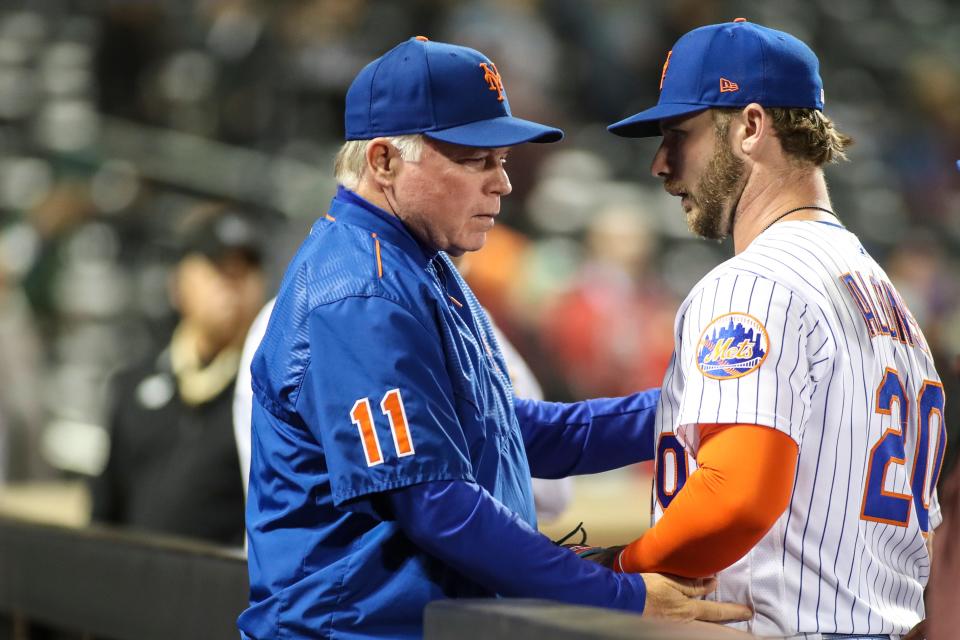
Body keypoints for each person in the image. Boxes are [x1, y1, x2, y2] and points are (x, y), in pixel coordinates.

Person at [238, 37, 751, 640]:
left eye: (503, 159)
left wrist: (696, 406)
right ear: (382, 161)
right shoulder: (359, 294)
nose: (502, 183)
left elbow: (510, 432)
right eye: (475, 159)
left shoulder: (418, 265)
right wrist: (618, 594)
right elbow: (435, 504)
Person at [597, 19, 947, 638]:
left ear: (752, 128)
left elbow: (735, 495)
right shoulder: (887, 297)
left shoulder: (756, 281)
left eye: (680, 135)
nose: (659, 164)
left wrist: (614, 573)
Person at [233, 296, 574, 524]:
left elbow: (553, 493)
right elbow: (411, 502)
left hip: (416, 588)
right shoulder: (317, 314)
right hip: (341, 597)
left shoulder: (465, 315)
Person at [91, 207, 266, 546]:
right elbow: (104, 509)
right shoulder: (132, 386)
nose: (233, 283)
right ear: (179, 283)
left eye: (246, 269)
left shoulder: (270, 395)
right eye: (218, 267)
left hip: (222, 588)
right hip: (134, 580)